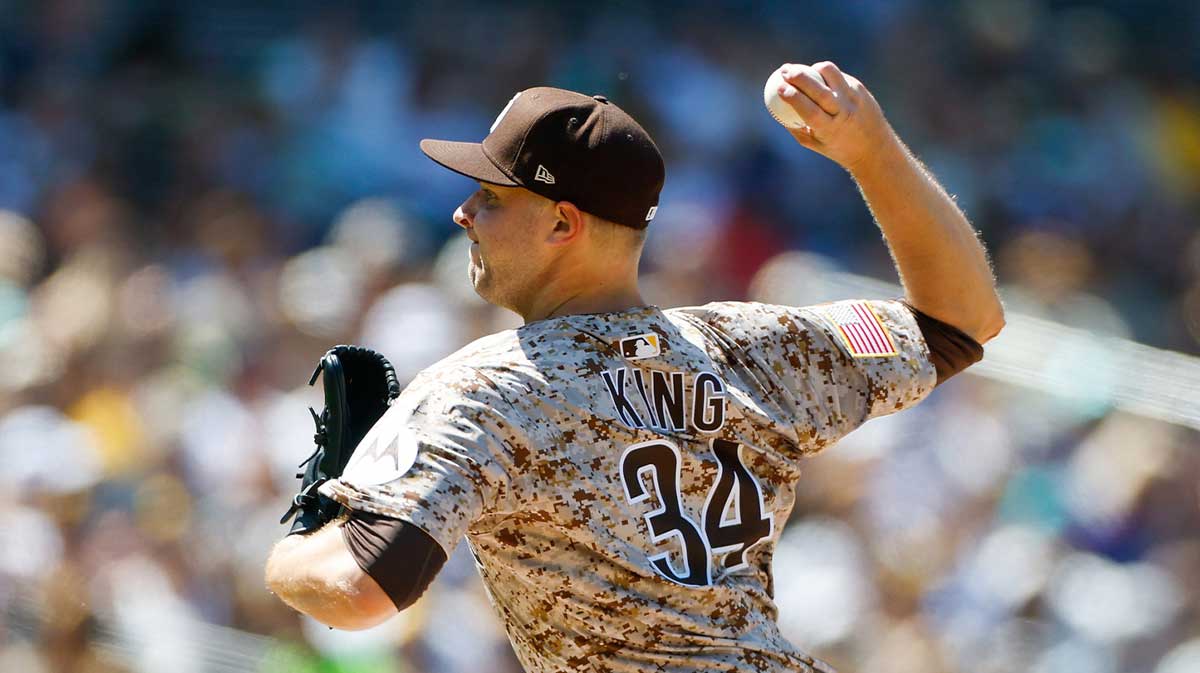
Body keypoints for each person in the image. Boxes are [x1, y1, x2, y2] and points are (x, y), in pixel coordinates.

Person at [264, 62, 1005, 672]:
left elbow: (358, 591)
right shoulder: (752, 346)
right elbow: (963, 318)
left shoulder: (487, 389)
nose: (463, 212)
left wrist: (301, 538)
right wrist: (871, 150)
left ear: (563, 222)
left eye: (491, 196)